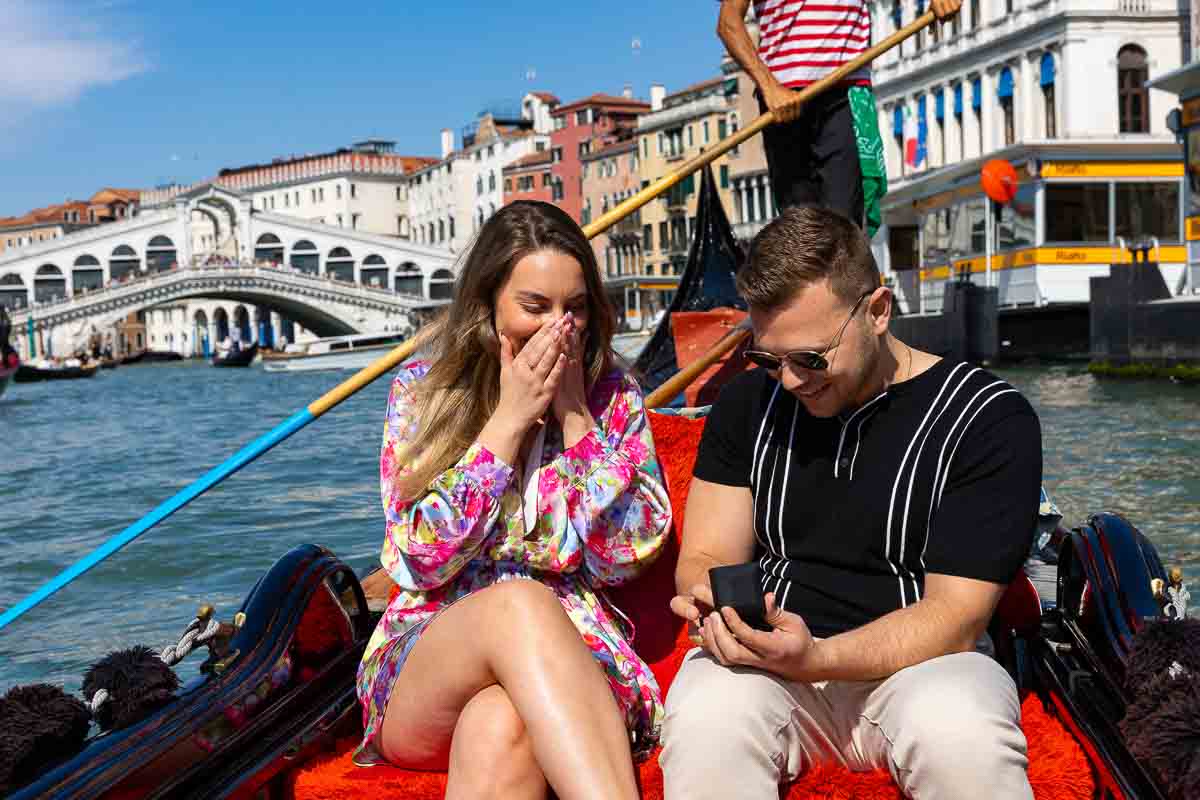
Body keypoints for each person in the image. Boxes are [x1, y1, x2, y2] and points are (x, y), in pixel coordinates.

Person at [662, 207, 1042, 799]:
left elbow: (955, 617)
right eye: (769, 359)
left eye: (811, 358)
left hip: (925, 667)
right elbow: (707, 551)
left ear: (878, 312)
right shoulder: (745, 406)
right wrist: (715, 606)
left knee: (961, 734)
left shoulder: (987, 419)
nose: (789, 380)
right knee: (707, 719)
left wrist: (818, 657)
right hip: (771, 672)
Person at [356, 200, 672, 800]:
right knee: (517, 603)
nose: (560, 329)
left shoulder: (612, 401)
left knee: (500, 725)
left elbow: (626, 557)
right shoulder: (423, 394)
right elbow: (416, 560)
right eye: (536, 308)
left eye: (575, 309)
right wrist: (505, 425)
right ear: (489, 306)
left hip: (573, 664)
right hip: (428, 659)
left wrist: (577, 421)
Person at [716, 0, 961, 235]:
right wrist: (769, 87)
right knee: (800, 229)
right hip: (782, 100)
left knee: (845, 225)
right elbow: (728, 21)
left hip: (846, 88)